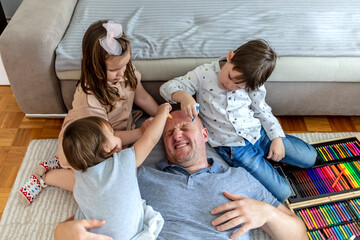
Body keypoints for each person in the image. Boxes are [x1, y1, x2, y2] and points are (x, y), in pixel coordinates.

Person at [54, 110, 308, 240]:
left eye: (185, 128)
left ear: (205, 135)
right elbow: (92, 202)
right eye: (168, 133)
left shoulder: (240, 178)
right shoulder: (141, 176)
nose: (176, 134)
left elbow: (299, 234)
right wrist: (61, 233)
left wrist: (266, 212)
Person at [18, 20, 159, 205]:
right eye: (114, 69)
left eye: (125, 65)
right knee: (95, 183)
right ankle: (47, 177)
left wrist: (161, 115)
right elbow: (104, 138)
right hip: (91, 140)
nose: (122, 73)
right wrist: (140, 133)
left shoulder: (125, 72)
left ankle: (59, 163)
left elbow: (142, 98)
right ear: (95, 68)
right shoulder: (89, 99)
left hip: (113, 137)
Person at [159, 39, 317, 202]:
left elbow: (262, 110)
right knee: (284, 193)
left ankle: (272, 157)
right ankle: (268, 164)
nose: (230, 85)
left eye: (238, 86)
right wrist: (184, 96)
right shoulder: (203, 73)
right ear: (230, 57)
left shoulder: (252, 81)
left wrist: (277, 138)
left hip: (258, 134)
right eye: (230, 77)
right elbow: (166, 88)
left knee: (310, 158)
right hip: (236, 149)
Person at [61, 103, 171, 239]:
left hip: (93, 235)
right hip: (134, 236)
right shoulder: (122, 162)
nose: (118, 137)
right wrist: (162, 113)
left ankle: (44, 176)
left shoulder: (80, 178)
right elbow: (150, 139)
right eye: (113, 134)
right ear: (106, 147)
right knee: (150, 217)